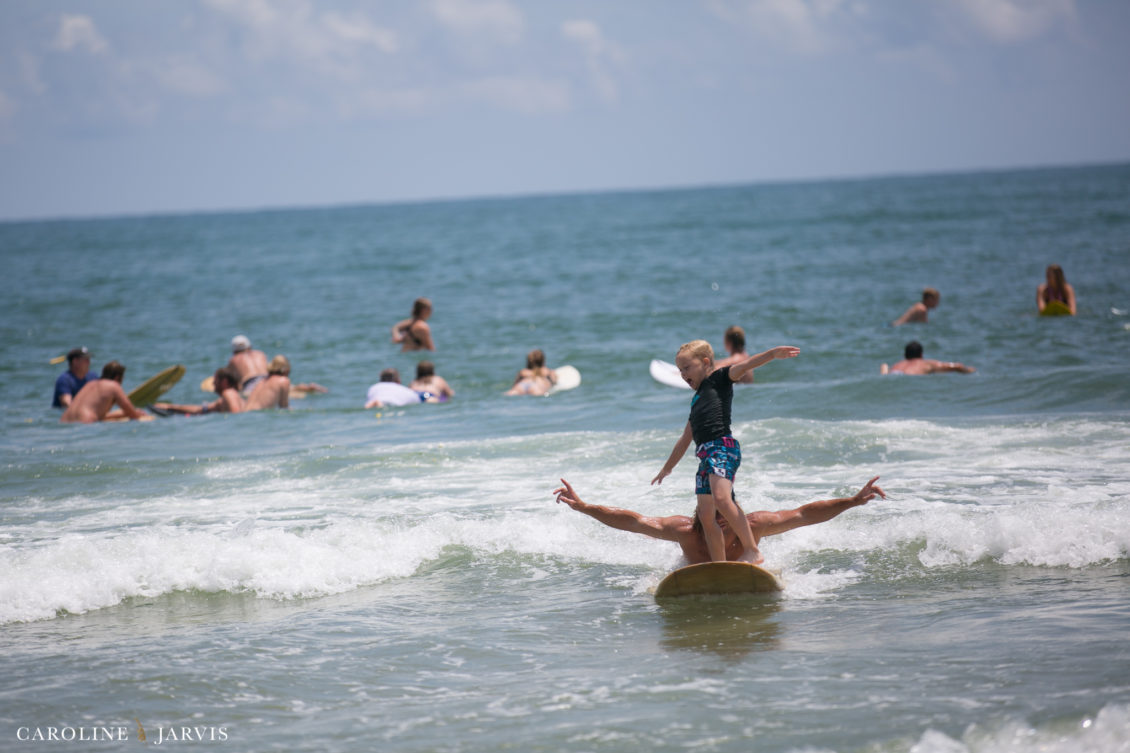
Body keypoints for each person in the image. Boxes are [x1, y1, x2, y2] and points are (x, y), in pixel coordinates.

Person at [651, 340, 801, 565]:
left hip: (722, 447)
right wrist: (667, 468)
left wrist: (772, 354)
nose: (682, 374)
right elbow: (684, 440)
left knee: (722, 499)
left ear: (705, 362)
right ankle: (719, 565)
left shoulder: (719, 379)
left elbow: (746, 364)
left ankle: (752, 549)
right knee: (705, 516)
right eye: (680, 370)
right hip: (704, 457)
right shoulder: (697, 400)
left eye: (687, 368)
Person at [553, 476, 886, 566]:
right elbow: (632, 521)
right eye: (713, 516)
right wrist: (583, 507)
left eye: (727, 514)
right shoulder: (684, 531)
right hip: (695, 570)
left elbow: (802, 515)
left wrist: (853, 501)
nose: (722, 521)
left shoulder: (752, 526)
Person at [60, 361, 151, 423]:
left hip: (64, 421)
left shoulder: (90, 384)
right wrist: (138, 414)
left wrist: (121, 414)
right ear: (117, 378)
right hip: (86, 424)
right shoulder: (113, 385)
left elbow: (100, 415)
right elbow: (133, 415)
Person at [154, 367, 244, 415]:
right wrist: (170, 407)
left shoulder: (228, 393)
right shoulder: (225, 399)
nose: (213, 384)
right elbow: (200, 409)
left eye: (215, 380)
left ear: (224, 382)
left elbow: (237, 415)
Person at [881, 341, 975, 375]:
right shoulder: (926, 363)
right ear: (921, 355)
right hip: (911, 376)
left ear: (905, 355)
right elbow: (957, 366)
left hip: (894, 374)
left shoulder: (897, 364)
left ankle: (884, 368)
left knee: (885, 368)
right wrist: (969, 370)